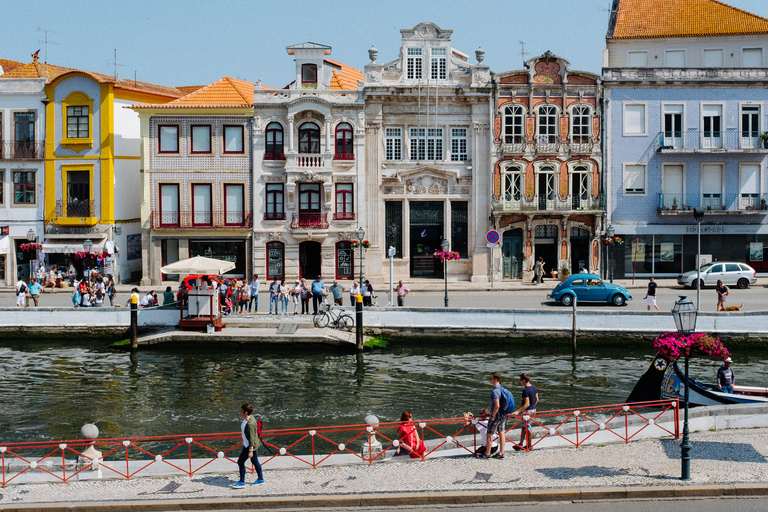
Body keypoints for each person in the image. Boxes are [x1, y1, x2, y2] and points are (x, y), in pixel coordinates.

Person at [231, 403, 264, 488]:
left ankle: (242, 482)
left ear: (245, 412)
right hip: (249, 445)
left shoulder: (250, 424)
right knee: (255, 461)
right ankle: (260, 479)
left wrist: (250, 450)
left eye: (242, 410)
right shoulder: (250, 417)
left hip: (249, 446)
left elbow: (252, 438)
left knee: (240, 462)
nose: (240, 412)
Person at [483, 371, 511, 459]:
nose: (489, 380)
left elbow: (497, 405)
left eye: (490, 378)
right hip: (503, 414)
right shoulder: (502, 388)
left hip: (497, 415)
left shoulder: (495, 391)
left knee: (489, 433)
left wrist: (493, 416)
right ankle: (501, 453)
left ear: (495, 379)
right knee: (501, 432)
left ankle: (487, 453)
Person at [510, 373, 539, 452]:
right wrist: (533, 407)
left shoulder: (525, 390)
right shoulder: (533, 387)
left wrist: (517, 411)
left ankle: (529, 445)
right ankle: (521, 443)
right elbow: (537, 399)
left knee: (528, 428)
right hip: (532, 409)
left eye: (520, 380)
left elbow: (527, 403)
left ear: (523, 380)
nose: (520, 382)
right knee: (524, 427)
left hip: (527, 411)